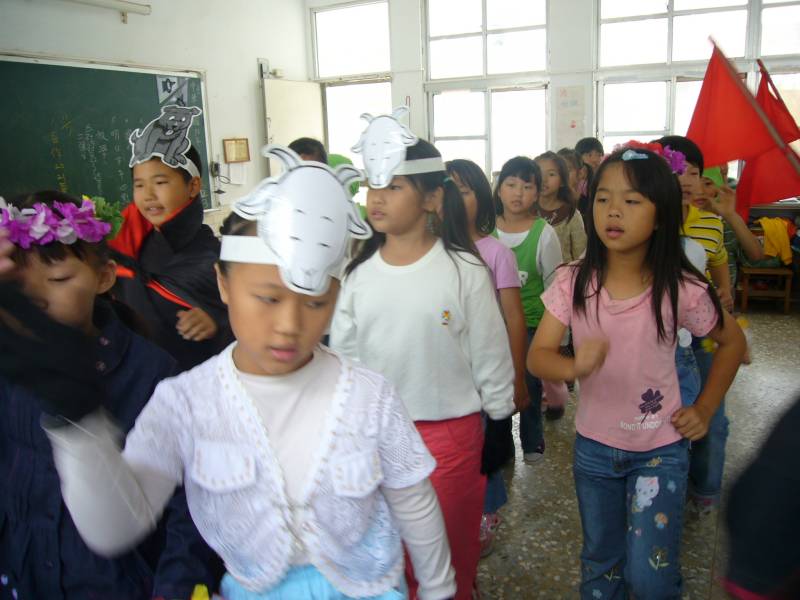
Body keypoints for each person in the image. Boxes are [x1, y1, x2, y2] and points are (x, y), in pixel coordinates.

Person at [1, 148, 458, 600]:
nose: (289, 325)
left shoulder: (369, 395)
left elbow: (413, 501)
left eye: (316, 302)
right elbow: (116, 529)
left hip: (369, 588)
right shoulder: (185, 401)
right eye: (267, 298)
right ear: (223, 283)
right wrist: (79, 427)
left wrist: (439, 590)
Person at [528, 145, 745, 598]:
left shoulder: (681, 287)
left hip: (660, 449)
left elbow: (732, 344)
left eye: (631, 201)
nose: (613, 211)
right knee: (601, 564)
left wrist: (705, 408)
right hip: (594, 449)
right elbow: (538, 356)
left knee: (651, 574)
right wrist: (573, 364)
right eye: (603, 198)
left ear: (661, 215)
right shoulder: (573, 280)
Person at [331, 110, 514, 599]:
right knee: (386, 556)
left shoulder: (462, 270)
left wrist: (499, 421)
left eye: (393, 186)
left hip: (449, 440)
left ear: (432, 198)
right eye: (373, 186)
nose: (377, 198)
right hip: (376, 437)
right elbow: (344, 362)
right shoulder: (357, 274)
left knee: (446, 558)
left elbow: (490, 354)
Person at [0, 192, 219, 600]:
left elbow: (189, 508)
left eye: (59, 279)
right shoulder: (9, 368)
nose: (37, 298)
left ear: (104, 277)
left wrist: (175, 587)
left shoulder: (156, 376)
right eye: (18, 285)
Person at [445, 159, 528, 558]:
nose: (453, 199)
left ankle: (487, 511)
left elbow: (514, 318)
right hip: (447, 373)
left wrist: (518, 379)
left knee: (484, 444)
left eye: (462, 191)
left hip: (483, 373)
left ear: (480, 196)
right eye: (446, 190)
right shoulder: (430, 250)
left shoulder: (495, 253)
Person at [111, 107, 231, 371]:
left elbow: (247, 321)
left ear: (193, 186)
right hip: (135, 378)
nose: (148, 195)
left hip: (192, 380)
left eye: (160, 182)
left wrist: (216, 322)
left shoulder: (214, 259)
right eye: (139, 185)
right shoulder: (122, 249)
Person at [656, 135, 735, 514]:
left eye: (693, 172)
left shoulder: (709, 226)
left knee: (711, 416)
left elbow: (719, 273)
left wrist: (725, 294)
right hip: (659, 339)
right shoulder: (648, 223)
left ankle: (705, 486)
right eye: (677, 171)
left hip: (700, 336)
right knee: (664, 418)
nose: (686, 180)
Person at [491, 156, 562, 462]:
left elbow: (555, 287)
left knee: (529, 382)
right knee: (498, 383)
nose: (518, 193)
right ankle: (503, 444)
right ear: (499, 190)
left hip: (533, 322)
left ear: (537, 193)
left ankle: (532, 441)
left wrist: (556, 337)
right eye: (511, 185)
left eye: (527, 186)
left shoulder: (543, 233)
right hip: (494, 325)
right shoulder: (486, 230)